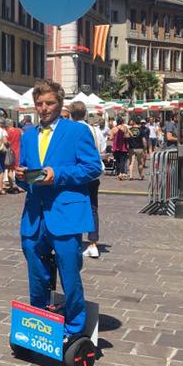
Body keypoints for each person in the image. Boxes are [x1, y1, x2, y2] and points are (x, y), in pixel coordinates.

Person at [16, 80, 102, 338]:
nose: (44, 108)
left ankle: (75, 328)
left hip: (66, 214)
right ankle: (40, 322)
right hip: (34, 216)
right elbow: (26, 171)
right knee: (36, 272)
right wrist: (21, 176)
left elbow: (93, 167)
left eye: (49, 103)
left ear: (60, 103)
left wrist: (58, 174)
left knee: (69, 273)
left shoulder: (77, 132)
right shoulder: (28, 135)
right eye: (39, 103)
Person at [69, 102, 104, 259]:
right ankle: (93, 243)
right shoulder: (95, 130)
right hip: (93, 174)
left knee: (74, 206)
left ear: (71, 114)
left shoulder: (71, 130)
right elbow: (101, 149)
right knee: (93, 208)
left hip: (77, 173)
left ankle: (74, 241)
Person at [5, 118, 22, 192]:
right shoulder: (19, 131)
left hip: (10, 152)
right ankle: (21, 186)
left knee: (10, 170)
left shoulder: (6, 132)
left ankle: (12, 186)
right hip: (18, 151)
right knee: (19, 170)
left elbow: (6, 143)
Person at [110, 116, 130, 180]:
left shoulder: (114, 129)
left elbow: (111, 138)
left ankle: (118, 173)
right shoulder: (125, 128)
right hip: (123, 147)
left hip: (116, 147)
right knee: (122, 161)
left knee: (117, 161)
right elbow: (127, 136)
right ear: (122, 122)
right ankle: (121, 173)